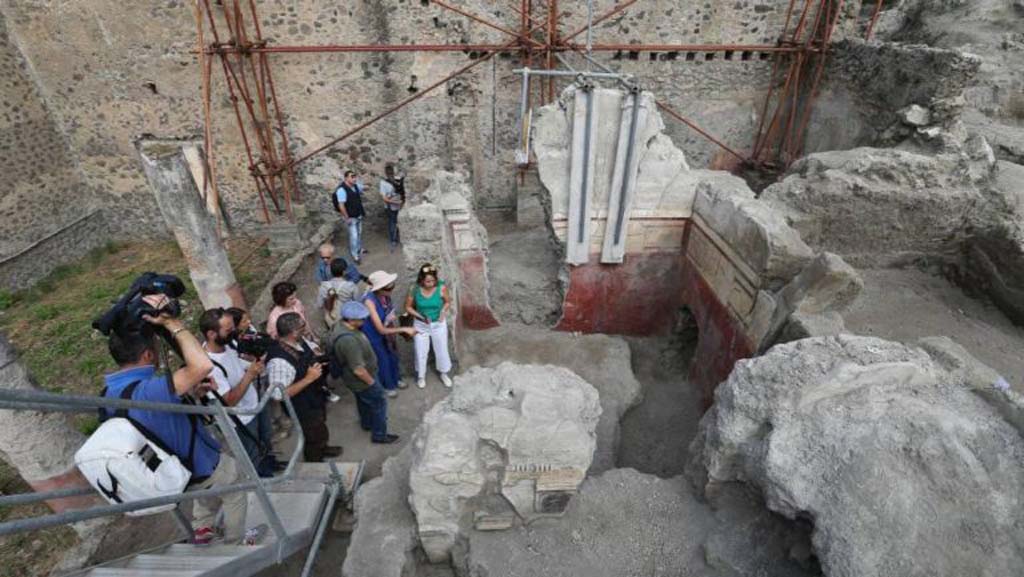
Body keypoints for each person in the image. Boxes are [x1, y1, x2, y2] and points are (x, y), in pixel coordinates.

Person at [101, 295, 257, 545]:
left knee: (205, 485)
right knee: (235, 484)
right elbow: (202, 366)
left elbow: (152, 417)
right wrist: (171, 323)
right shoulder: (148, 390)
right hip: (196, 463)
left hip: (171, 470)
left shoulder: (110, 393)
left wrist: (193, 395)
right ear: (148, 355)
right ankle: (236, 542)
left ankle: (203, 528)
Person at [199, 308, 276, 478]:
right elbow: (229, 401)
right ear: (212, 334)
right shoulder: (209, 366)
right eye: (228, 330)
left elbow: (237, 365)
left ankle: (270, 464)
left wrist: (250, 364)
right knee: (252, 451)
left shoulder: (227, 345)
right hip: (241, 418)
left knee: (266, 438)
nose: (234, 332)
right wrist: (250, 374)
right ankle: (260, 480)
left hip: (254, 404)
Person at [265, 312, 342, 462]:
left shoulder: (297, 341)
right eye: (303, 326)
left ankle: (323, 448)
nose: (306, 328)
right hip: (302, 406)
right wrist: (308, 378)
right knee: (311, 434)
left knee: (319, 426)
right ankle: (315, 462)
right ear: (293, 333)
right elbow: (278, 395)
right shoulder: (278, 362)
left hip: (315, 396)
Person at [327, 302, 400, 444]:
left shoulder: (341, 326)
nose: (364, 321)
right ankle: (379, 435)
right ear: (351, 320)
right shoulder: (349, 341)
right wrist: (372, 383)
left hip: (354, 381)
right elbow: (358, 370)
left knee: (363, 401)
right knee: (379, 403)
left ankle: (367, 423)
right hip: (363, 380)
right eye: (361, 319)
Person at [362, 271, 415, 398]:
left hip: (387, 330)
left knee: (393, 356)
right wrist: (403, 329)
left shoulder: (385, 296)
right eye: (389, 287)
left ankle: (396, 379)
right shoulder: (369, 301)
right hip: (373, 335)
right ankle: (388, 386)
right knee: (382, 360)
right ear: (380, 289)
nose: (392, 289)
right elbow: (380, 329)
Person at [404, 263, 453, 389]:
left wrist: (443, 311)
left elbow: (447, 302)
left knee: (441, 349)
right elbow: (408, 307)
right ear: (421, 280)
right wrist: (420, 316)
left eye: (432, 280)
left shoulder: (441, 287)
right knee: (420, 350)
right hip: (421, 324)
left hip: (438, 324)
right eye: (427, 281)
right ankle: (421, 376)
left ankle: (443, 373)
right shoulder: (414, 289)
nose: (430, 283)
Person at [319, 257, 361, 329]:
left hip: (331, 318)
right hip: (347, 318)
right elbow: (357, 302)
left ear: (331, 271)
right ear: (344, 272)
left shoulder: (324, 286)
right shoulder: (351, 286)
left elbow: (320, 305)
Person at [335, 170, 367, 264]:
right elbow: (341, 205)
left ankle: (359, 249)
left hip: (358, 214)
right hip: (351, 217)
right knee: (354, 236)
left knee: (359, 233)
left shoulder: (355, 186)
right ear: (346, 178)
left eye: (355, 176)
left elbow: (363, 188)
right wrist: (347, 217)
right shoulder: (341, 190)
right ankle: (355, 255)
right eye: (352, 177)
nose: (354, 178)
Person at [380, 164, 405, 253]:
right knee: (394, 222)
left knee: (394, 222)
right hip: (393, 205)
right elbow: (385, 198)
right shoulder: (385, 182)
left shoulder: (389, 181)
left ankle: (395, 239)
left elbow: (400, 190)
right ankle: (395, 239)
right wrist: (397, 202)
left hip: (396, 204)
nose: (390, 173)